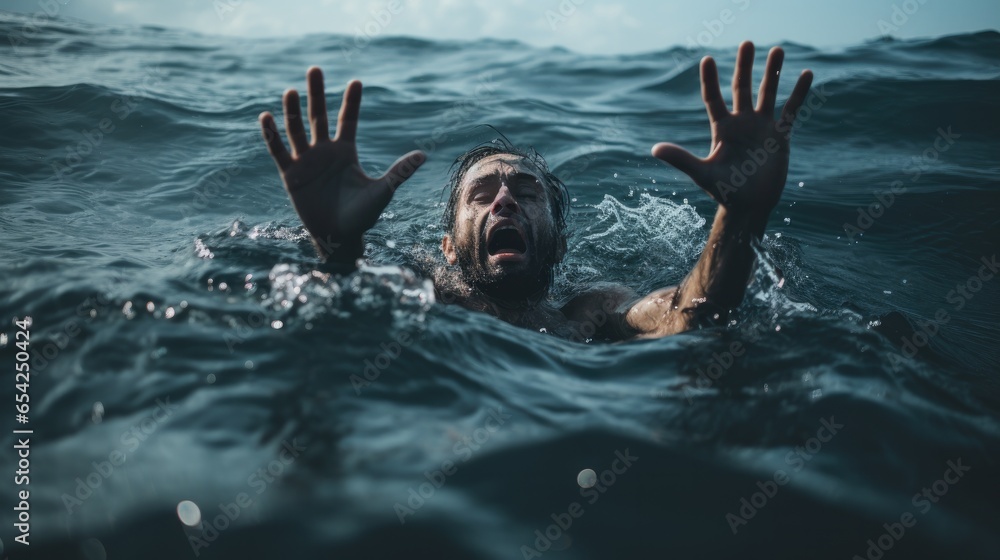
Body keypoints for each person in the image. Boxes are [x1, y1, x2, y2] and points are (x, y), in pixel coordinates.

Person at [257, 41, 814, 341]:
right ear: (447, 247)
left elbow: (689, 316)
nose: (503, 199)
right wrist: (336, 245)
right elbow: (342, 309)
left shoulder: (592, 311)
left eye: (525, 192)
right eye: (481, 194)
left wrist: (739, 219)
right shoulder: (425, 289)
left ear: (560, 242)